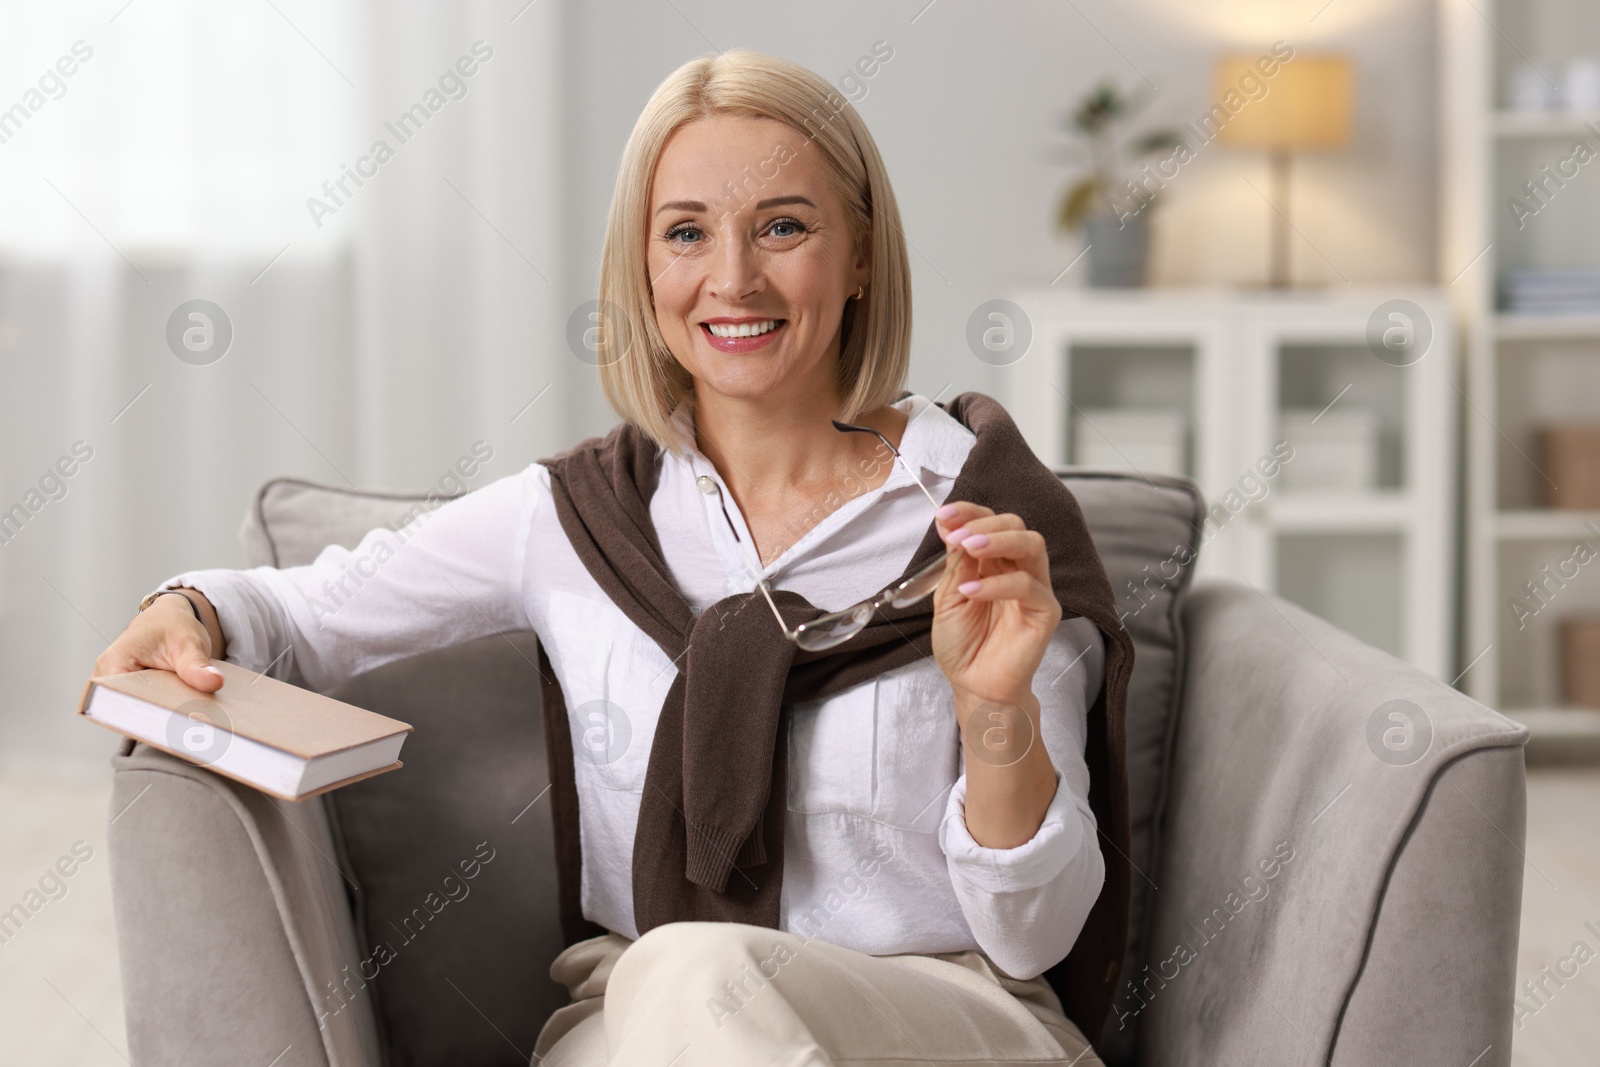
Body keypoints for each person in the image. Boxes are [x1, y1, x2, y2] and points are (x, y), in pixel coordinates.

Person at [96, 49, 1131, 1067]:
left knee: (696, 976)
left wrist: (996, 717)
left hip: (937, 1015)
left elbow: (1030, 939)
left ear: (859, 252)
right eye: (686, 232)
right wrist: (188, 608)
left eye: (783, 225)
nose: (733, 276)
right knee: (685, 981)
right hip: (645, 1012)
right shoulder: (577, 518)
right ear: (642, 268)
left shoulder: (981, 523)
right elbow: (308, 610)